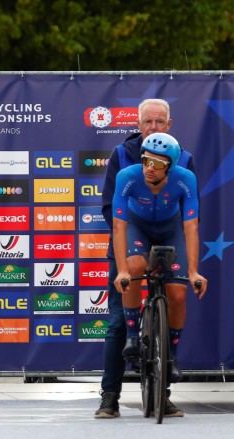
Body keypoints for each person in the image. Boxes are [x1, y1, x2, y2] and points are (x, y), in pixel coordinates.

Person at [96, 99, 196, 419]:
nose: (154, 126)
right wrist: (127, 261)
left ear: (169, 124)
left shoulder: (184, 159)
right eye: (148, 122)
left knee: (174, 297)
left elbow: (187, 215)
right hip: (130, 237)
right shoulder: (121, 155)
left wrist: (183, 263)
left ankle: (162, 395)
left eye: (160, 121)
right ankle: (109, 397)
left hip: (168, 237)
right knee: (116, 321)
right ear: (139, 125)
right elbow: (112, 211)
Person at [109, 132, 208, 418]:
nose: (148, 167)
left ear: (170, 165)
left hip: (170, 228)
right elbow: (118, 226)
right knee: (135, 269)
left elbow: (191, 226)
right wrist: (123, 270)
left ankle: (171, 356)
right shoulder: (128, 176)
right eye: (145, 160)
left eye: (156, 162)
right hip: (137, 227)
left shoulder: (184, 177)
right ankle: (131, 336)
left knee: (178, 292)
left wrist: (193, 271)